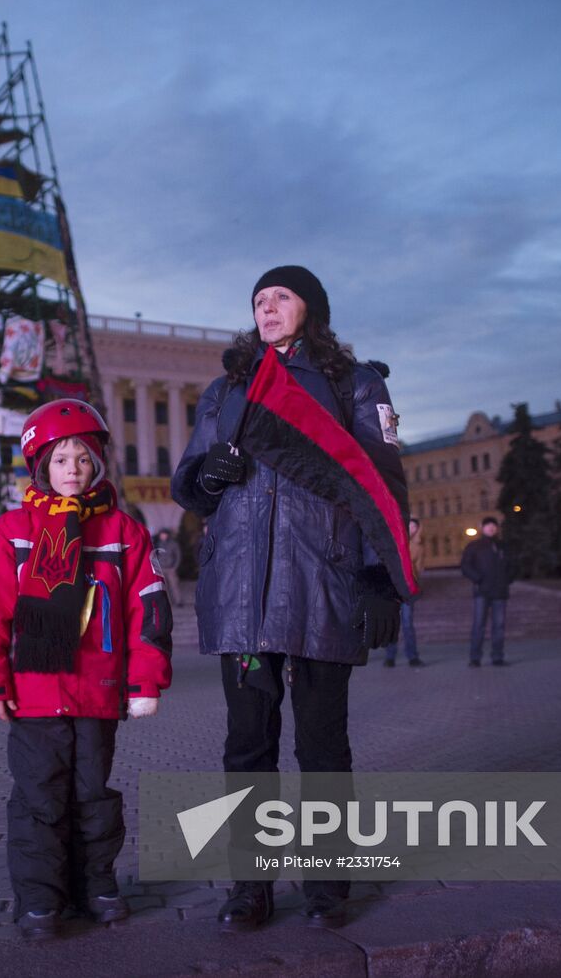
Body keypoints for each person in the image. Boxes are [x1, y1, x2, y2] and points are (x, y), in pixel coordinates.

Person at [171, 265, 408, 931]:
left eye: (281, 297)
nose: (267, 308)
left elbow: (383, 485)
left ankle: (329, 887)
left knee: (323, 746)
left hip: (321, 584)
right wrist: (206, 476)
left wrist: (378, 575)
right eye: (258, 300)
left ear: (312, 308)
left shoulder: (354, 385)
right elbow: (188, 483)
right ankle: (249, 887)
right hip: (242, 593)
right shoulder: (226, 390)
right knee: (247, 746)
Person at [0, 399, 173, 941]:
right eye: (59, 460)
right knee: (39, 799)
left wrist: (144, 680)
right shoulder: (12, 531)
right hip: (33, 695)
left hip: (98, 692)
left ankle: (96, 887)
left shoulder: (123, 532)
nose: (72, 469)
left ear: (98, 465)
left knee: (93, 796)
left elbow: (146, 611)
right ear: (40, 467)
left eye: (82, 458)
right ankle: (40, 900)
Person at [460, 516, 513, 667]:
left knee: (499, 625)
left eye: (493, 525)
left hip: (500, 592)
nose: (491, 528)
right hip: (481, 591)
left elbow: (513, 565)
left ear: (497, 528)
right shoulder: (474, 546)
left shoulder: (503, 546)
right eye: (488, 525)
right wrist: (478, 579)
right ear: (482, 528)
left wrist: (507, 579)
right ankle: (475, 657)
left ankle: (497, 657)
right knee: (478, 625)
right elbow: (465, 566)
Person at [384, 518, 426, 667]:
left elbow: (419, 568)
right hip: (392, 589)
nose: (412, 529)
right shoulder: (392, 542)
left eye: (415, 526)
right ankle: (390, 657)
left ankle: (412, 657)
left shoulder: (418, 547)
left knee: (408, 624)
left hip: (408, 591)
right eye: (409, 526)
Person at [152, 529, 183, 606]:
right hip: (161, 568)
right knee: (164, 586)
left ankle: (178, 601)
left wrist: (175, 566)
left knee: (174, 585)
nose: (163, 536)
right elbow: (153, 555)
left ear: (167, 535)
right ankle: (168, 601)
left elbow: (178, 555)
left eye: (164, 534)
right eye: (162, 534)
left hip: (171, 568)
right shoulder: (157, 544)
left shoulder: (173, 544)